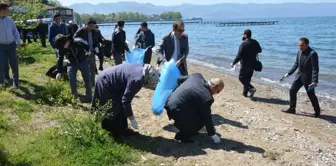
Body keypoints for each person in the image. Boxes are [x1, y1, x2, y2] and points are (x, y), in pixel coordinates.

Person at [91, 63, 160, 140]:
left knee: (121, 106)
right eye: (152, 83)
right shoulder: (137, 80)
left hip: (116, 84)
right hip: (106, 81)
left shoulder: (144, 71)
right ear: (148, 78)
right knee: (113, 108)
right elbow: (126, 101)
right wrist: (132, 119)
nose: (152, 85)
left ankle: (123, 129)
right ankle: (112, 133)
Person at [164, 73, 224, 143]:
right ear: (214, 87)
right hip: (176, 110)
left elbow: (179, 79)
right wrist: (213, 135)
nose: (217, 93)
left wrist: (180, 92)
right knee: (201, 121)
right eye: (218, 91)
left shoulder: (196, 76)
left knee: (197, 111)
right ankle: (181, 136)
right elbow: (207, 118)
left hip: (169, 101)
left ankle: (181, 124)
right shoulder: (207, 97)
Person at [282, 37, 321, 117]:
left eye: (302, 45)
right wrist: (289, 73)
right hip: (299, 76)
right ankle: (292, 108)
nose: (300, 47)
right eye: (299, 45)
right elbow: (296, 64)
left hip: (308, 78)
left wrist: (314, 81)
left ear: (307, 45)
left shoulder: (312, 54)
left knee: (311, 94)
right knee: (292, 90)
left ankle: (317, 111)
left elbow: (315, 69)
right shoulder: (299, 52)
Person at [54, 34, 92, 101]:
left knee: (87, 79)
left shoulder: (77, 42)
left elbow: (86, 45)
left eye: (63, 46)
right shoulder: (61, 48)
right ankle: (74, 98)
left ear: (66, 41)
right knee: (72, 80)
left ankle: (89, 97)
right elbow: (60, 59)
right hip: (71, 63)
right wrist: (59, 71)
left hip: (83, 61)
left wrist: (88, 52)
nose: (62, 48)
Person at [230, 29, 262, 97]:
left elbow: (239, 56)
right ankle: (245, 93)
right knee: (247, 79)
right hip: (253, 64)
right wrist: (253, 50)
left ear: (246, 35)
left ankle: (251, 89)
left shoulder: (243, 44)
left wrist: (233, 63)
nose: (243, 36)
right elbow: (260, 50)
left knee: (241, 78)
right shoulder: (255, 42)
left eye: (243, 35)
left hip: (245, 64)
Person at [73, 18, 101, 87]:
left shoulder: (95, 32)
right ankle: (87, 84)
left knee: (92, 69)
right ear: (87, 25)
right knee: (85, 69)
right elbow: (74, 39)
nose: (92, 27)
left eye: (93, 26)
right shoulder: (81, 31)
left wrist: (97, 46)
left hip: (92, 53)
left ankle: (93, 84)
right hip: (83, 53)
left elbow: (97, 41)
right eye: (91, 26)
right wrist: (82, 45)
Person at [0, 2, 21, 88]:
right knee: (1, 63)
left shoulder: (9, 19)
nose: (9, 11)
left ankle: (15, 83)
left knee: (14, 63)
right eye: (8, 9)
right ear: (2, 10)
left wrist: (18, 43)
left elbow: (15, 31)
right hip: (1, 45)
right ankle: (2, 82)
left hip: (11, 45)